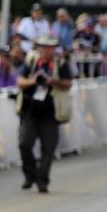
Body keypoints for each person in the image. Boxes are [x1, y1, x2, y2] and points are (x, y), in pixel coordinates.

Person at [15, 34, 72, 193]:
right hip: (30, 109)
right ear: (38, 47)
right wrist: (32, 81)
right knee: (24, 143)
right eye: (43, 47)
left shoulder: (59, 63)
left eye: (49, 47)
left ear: (53, 48)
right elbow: (19, 81)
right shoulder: (32, 62)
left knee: (49, 147)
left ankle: (42, 179)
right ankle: (30, 174)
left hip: (50, 111)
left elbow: (68, 83)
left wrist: (53, 81)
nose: (46, 50)